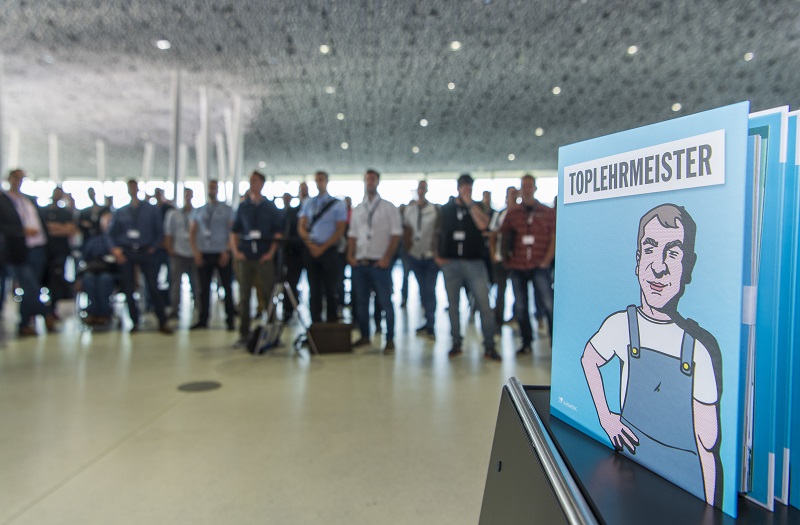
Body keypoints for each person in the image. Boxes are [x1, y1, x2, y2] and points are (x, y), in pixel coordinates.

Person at [580, 204, 722, 505]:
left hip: (686, 489)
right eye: (650, 249)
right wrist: (605, 417)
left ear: (688, 267)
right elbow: (589, 359)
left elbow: (706, 446)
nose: (659, 267)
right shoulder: (621, 325)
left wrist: (711, 508)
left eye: (673, 253)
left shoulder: (698, 349)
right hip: (628, 469)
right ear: (637, 260)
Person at [434, 174, 500, 361]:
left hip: (474, 263)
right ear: (458, 188)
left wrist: (470, 204)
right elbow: (436, 233)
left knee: (484, 305)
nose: (466, 190)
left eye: (469, 187)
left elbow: (484, 225)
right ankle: (456, 343)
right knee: (453, 306)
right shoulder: (445, 209)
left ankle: (489, 345)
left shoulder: (477, 207)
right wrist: (437, 257)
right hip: (451, 263)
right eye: (463, 187)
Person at [347, 169, 402, 353]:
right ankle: (365, 336)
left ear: (378, 182)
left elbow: (396, 234)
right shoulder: (358, 209)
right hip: (360, 263)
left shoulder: (388, 207)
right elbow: (352, 234)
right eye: (367, 179)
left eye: (373, 179)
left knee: (385, 302)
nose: (370, 182)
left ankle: (390, 339)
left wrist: (387, 258)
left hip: (380, 263)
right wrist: (349, 255)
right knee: (361, 303)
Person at [500, 174, 555, 354]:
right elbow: (503, 235)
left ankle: (555, 342)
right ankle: (526, 342)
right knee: (521, 306)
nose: (526, 189)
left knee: (548, 303)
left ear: (535, 188)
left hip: (540, 265)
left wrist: (547, 259)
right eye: (523, 186)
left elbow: (553, 237)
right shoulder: (513, 213)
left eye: (529, 186)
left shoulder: (547, 212)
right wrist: (506, 259)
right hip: (518, 264)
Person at [109, 178, 172, 334]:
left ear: (138, 188)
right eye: (129, 187)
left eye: (134, 187)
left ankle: (162, 321)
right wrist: (115, 249)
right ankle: (134, 321)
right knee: (129, 288)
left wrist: (153, 247)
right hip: (128, 252)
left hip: (146, 251)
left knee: (153, 286)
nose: (132, 190)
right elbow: (111, 234)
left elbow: (159, 230)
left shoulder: (151, 209)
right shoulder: (121, 211)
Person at [230, 171, 283, 345]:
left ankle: (273, 334)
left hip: (263, 257)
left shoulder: (270, 207)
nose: (252, 183)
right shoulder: (243, 207)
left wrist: (271, 253)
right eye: (250, 181)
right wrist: (236, 252)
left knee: (268, 295)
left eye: (255, 181)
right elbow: (234, 231)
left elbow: (277, 233)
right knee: (244, 296)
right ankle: (243, 333)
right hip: (246, 256)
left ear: (262, 183)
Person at [1, 169, 54, 336]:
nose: (19, 181)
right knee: (30, 287)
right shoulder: (3, 201)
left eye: (22, 178)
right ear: (9, 179)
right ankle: (46, 314)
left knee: (32, 286)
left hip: (38, 247)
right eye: (16, 178)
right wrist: (21, 231)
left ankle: (24, 324)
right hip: (17, 251)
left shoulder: (29, 200)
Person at [297, 171, 347, 323]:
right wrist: (310, 244)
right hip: (312, 249)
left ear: (326, 181)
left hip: (329, 250)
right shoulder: (308, 203)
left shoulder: (337, 204)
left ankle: (332, 322)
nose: (319, 182)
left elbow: (340, 229)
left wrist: (323, 248)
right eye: (317, 180)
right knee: (314, 289)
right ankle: (316, 324)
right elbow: (301, 226)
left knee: (331, 289)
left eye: (321, 180)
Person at [190, 179, 235, 330]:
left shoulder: (227, 210)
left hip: (221, 253)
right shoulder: (199, 210)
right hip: (204, 252)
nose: (212, 190)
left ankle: (230, 318)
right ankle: (203, 319)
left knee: (227, 286)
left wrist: (227, 251)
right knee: (203, 288)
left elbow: (232, 232)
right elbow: (192, 232)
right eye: (210, 188)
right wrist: (196, 252)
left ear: (218, 190)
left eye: (214, 188)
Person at [403, 180, 439, 337]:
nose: (421, 191)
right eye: (419, 188)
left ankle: (431, 323)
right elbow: (406, 230)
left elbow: (437, 233)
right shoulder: (409, 210)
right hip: (415, 255)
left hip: (430, 256)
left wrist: (436, 253)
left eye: (423, 188)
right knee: (422, 290)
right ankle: (427, 320)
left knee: (430, 290)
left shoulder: (434, 210)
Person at [164, 187, 199, 320]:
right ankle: (174, 308)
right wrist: (169, 247)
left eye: (190, 195)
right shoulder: (174, 214)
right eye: (186, 195)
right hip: (178, 252)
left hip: (193, 252)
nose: (188, 197)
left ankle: (198, 306)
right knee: (175, 283)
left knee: (196, 283)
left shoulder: (197, 213)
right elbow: (169, 232)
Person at [43, 186, 78, 319]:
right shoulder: (44, 211)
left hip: (61, 252)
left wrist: (52, 227)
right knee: (44, 279)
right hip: (45, 251)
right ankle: (43, 310)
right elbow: (43, 228)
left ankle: (53, 309)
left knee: (57, 280)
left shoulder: (65, 213)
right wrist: (60, 227)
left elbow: (70, 230)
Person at [78, 209, 117, 326]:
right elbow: (85, 256)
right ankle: (93, 312)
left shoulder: (117, 238)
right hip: (94, 268)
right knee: (88, 279)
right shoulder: (94, 238)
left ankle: (105, 313)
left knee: (105, 279)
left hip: (111, 270)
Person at [488, 186, 519, 329]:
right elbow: (493, 235)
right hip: (500, 259)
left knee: (518, 291)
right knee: (500, 291)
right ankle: (498, 321)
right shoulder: (500, 214)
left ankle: (516, 317)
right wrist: (493, 254)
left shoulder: (521, 213)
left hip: (517, 260)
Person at [279, 192, 304, 322]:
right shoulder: (291, 212)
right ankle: (288, 311)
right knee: (291, 282)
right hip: (293, 253)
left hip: (308, 251)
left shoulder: (310, 211)